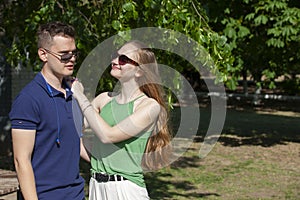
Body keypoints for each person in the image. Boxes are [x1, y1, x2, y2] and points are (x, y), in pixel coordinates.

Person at [72, 40, 172, 200]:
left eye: (123, 59)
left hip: (125, 190)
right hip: (96, 187)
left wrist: (80, 95)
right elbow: (73, 131)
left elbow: (108, 136)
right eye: (115, 56)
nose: (114, 61)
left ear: (139, 71)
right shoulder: (103, 99)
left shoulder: (149, 106)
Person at [9, 21, 89, 200]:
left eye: (74, 53)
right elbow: (21, 161)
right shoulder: (29, 99)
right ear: (43, 54)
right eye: (64, 55)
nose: (72, 59)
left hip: (76, 195)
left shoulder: (73, 93)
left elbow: (77, 143)